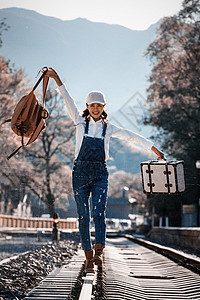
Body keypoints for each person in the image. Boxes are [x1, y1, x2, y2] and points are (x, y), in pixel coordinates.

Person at [44, 68, 164, 273]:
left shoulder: (110, 128)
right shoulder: (79, 122)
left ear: (104, 107)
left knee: (99, 213)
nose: (96, 109)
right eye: (93, 105)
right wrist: (56, 79)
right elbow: (67, 98)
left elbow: (131, 136)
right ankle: (88, 256)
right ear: (87, 107)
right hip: (80, 173)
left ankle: (99, 252)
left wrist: (153, 149)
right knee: (83, 216)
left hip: (100, 173)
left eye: (99, 105)